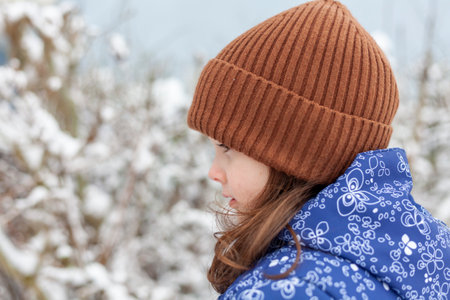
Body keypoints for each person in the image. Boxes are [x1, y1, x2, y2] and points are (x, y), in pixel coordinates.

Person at [187, 0, 450, 299]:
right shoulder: (425, 262)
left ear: (295, 152)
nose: (214, 171)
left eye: (227, 147)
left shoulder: (282, 287)